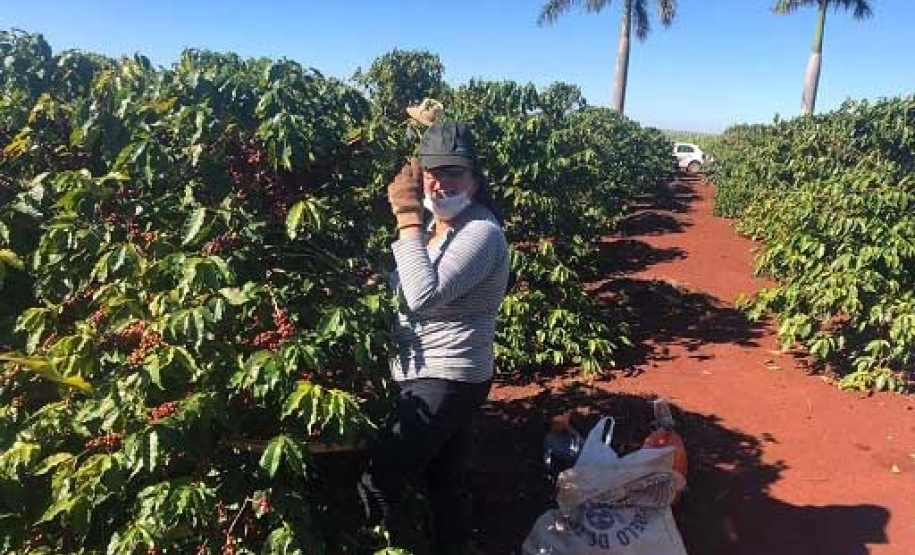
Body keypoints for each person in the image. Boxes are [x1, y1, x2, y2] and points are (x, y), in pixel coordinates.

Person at [359, 121, 510, 554]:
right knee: (445, 479)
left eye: (453, 174)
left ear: (475, 180)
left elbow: (422, 296)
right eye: (432, 174)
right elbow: (409, 280)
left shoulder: (481, 232)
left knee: (380, 479)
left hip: (445, 378)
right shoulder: (439, 228)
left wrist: (406, 215)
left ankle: (374, 542)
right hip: (443, 374)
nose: (440, 184)